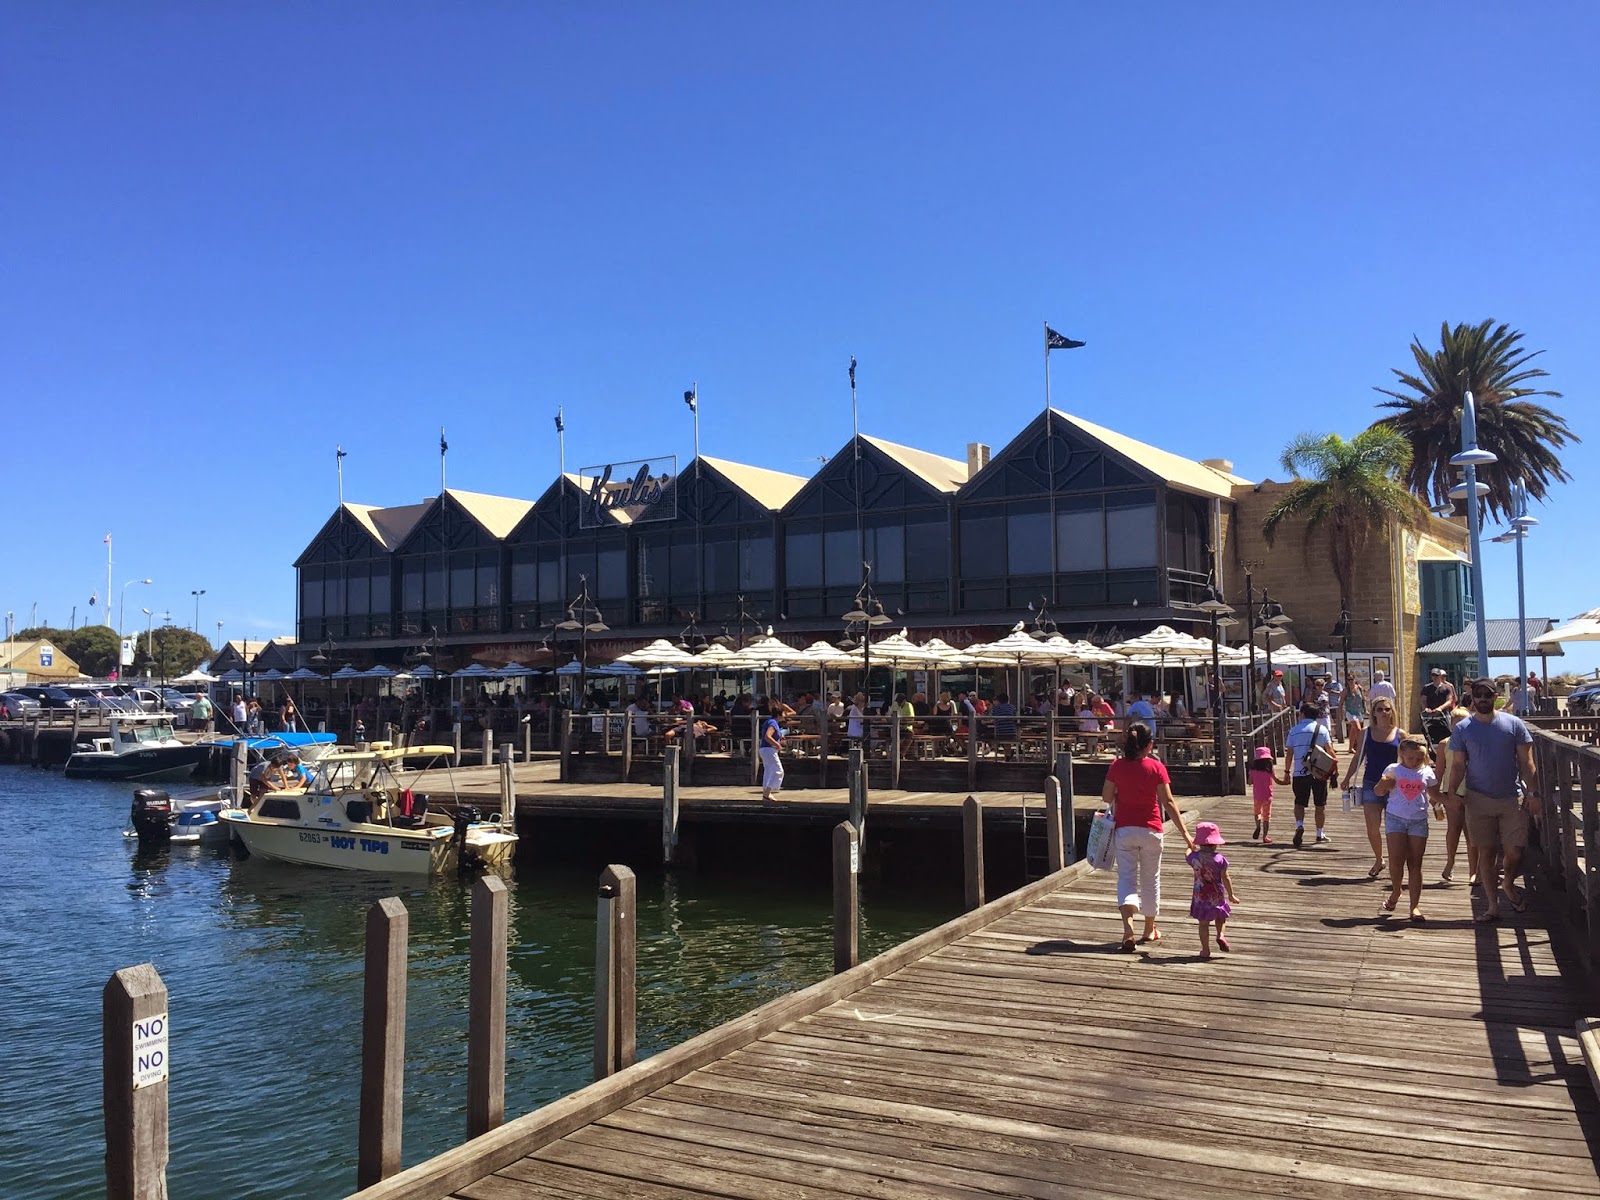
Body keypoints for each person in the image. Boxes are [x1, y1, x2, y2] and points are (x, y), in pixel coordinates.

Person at [1445, 677, 1540, 923]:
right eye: (1478, 695)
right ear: (1472, 698)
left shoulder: (1514, 724)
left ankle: (1508, 884)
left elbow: (1527, 763)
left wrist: (1534, 792)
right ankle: (1492, 905)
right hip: (1477, 799)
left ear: (1495, 696)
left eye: (1488, 695)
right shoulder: (1463, 728)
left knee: (1515, 852)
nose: (1483, 700)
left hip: (1511, 797)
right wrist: (1452, 793)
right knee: (1485, 853)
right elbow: (1457, 765)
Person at [1101, 722, 1196, 952]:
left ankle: (1128, 930)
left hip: (1125, 830)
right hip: (1152, 830)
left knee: (1126, 878)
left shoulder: (1116, 766)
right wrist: (1187, 836)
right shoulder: (1156, 767)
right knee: (1151, 879)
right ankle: (1149, 929)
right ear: (1149, 745)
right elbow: (1169, 802)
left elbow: (1106, 797)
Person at [1374, 735, 1444, 922]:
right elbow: (1378, 791)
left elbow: (1434, 794)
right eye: (1411, 758)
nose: (1415, 762)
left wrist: (1447, 802)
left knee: (1415, 863)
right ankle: (1396, 891)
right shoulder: (1393, 769)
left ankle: (1414, 907)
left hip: (1418, 820)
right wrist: (1383, 785)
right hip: (1395, 817)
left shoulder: (1428, 772)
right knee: (1396, 861)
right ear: (1402, 754)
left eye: (1419, 758)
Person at [1341, 693, 1402, 878]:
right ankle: (1379, 859)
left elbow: (1409, 761)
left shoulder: (1400, 734)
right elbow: (1357, 758)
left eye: (1387, 709)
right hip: (1370, 783)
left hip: (1394, 785)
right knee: (1372, 826)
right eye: (1379, 709)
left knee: (1394, 827)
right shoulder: (1366, 733)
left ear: (1392, 712)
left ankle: (1395, 862)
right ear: (1373, 713)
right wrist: (1346, 778)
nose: (1384, 712)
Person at [1283, 699, 1333, 848]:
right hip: (1319, 773)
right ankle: (1319, 833)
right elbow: (1330, 751)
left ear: (1303, 714)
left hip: (1299, 772)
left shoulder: (1294, 730)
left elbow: (1289, 754)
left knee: (1299, 802)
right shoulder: (1322, 730)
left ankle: (1299, 825)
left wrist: (1286, 771)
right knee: (1320, 804)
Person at [1186, 822, 1239, 960]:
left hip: (1201, 896)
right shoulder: (1219, 859)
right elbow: (1226, 878)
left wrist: (1190, 846)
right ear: (1215, 844)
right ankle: (1220, 935)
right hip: (1216, 895)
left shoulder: (1195, 858)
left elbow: (1187, 855)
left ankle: (1205, 950)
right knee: (1220, 917)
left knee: (1203, 924)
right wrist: (1231, 894)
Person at [1435, 705, 1473, 882]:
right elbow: (1439, 770)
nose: (1459, 727)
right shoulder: (1444, 744)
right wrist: (1434, 794)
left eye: (1463, 723)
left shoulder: (1474, 742)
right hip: (1452, 791)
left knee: (1472, 832)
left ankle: (1474, 871)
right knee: (1454, 829)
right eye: (1455, 723)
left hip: (1473, 790)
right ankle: (1450, 862)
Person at [1249, 746, 1279, 843]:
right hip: (1268, 796)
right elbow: (1277, 780)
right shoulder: (1269, 771)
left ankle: (1258, 826)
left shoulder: (1253, 771)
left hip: (1257, 795)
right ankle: (1265, 837)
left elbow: (1249, 782)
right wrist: (1286, 782)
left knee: (1257, 812)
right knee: (1267, 816)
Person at [1420, 667, 1456, 743]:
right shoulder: (1427, 687)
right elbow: (1423, 700)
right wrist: (1425, 708)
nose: (1434, 677)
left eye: (1436, 675)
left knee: (1447, 732)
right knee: (1427, 732)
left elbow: (1450, 700)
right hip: (1430, 715)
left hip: (1444, 714)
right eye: (1433, 675)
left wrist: (1440, 708)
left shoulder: (1447, 687)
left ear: (1440, 676)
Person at [759, 700, 785, 801]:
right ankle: (767, 793)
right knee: (778, 771)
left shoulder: (770, 721)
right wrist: (777, 744)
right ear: (779, 714)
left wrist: (779, 739)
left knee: (769, 771)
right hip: (769, 750)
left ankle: (766, 792)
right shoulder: (773, 723)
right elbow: (767, 736)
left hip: (764, 749)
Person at [1342, 673, 1366, 747]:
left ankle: (1350, 747)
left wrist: (1365, 709)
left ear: (1354, 680)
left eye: (1351, 679)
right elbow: (1341, 703)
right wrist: (1341, 714)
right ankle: (1361, 747)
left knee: (1353, 731)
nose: (1350, 681)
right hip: (1350, 712)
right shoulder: (1346, 690)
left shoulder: (1359, 688)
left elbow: (1363, 699)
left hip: (1358, 711)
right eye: (1348, 680)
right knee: (1358, 729)